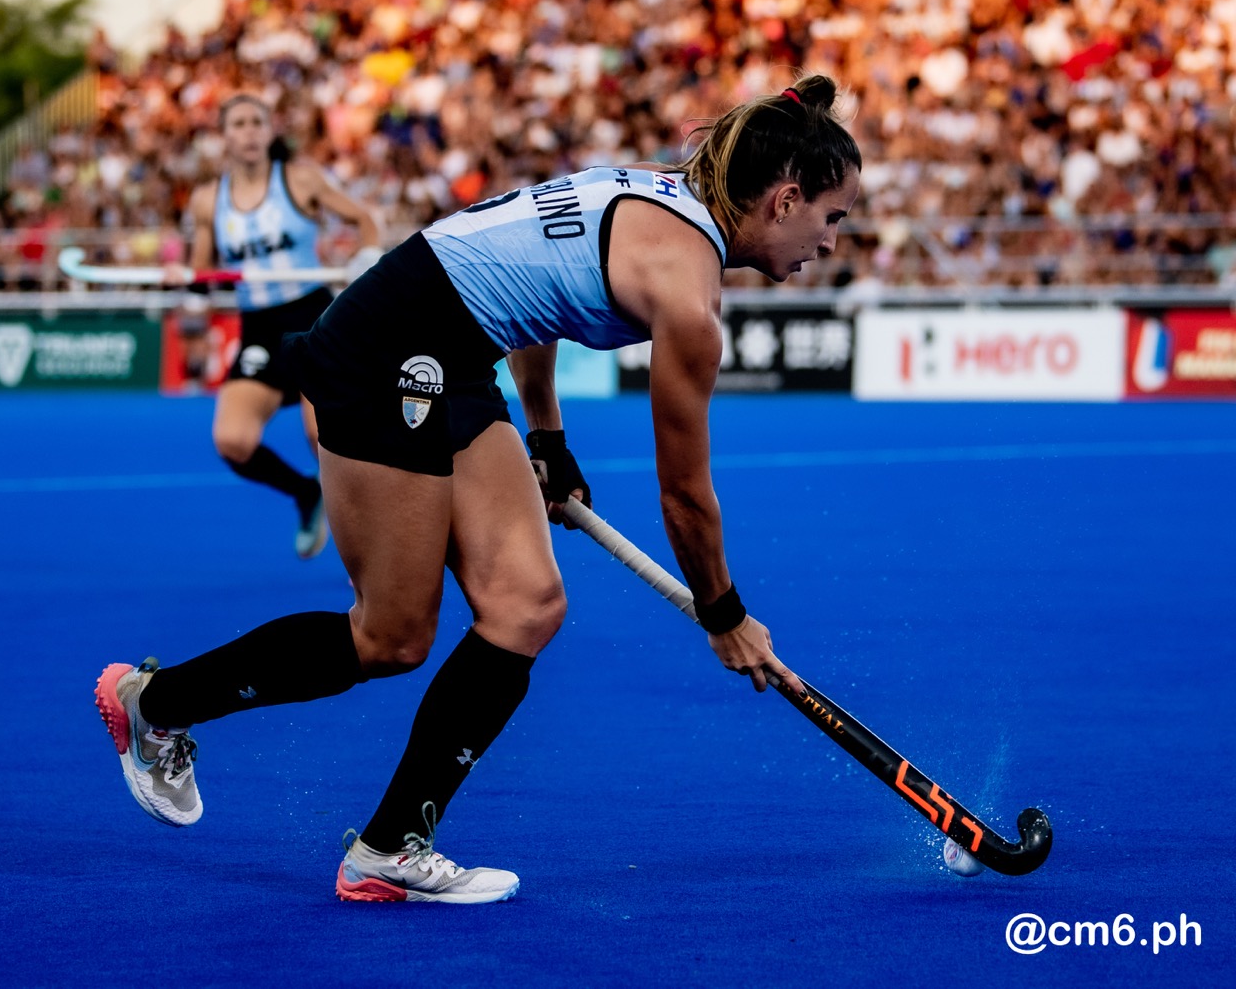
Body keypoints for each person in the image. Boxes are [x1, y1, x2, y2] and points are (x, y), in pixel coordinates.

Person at [95, 74, 861, 903]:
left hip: (455, 357)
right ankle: (154, 703)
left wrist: (547, 438)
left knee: (526, 605)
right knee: (391, 637)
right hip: (384, 352)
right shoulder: (690, 294)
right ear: (785, 200)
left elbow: (538, 293)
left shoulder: (656, 195)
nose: (830, 243)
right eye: (832, 219)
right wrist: (725, 615)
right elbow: (683, 494)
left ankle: (390, 848)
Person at [177, 92, 382, 558]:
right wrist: (186, 283)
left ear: (270, 132)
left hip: (314, 319)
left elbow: (364, 220)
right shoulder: (209, 201)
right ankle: (305, 493)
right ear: (224, 136)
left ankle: (366, 544)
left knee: (320, 433)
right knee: (232, 439)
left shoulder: (300, 180)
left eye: (256, 122)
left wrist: (365, 259)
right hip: (260, 330)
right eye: (238, 124)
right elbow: (202, 279)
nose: (248, 131)